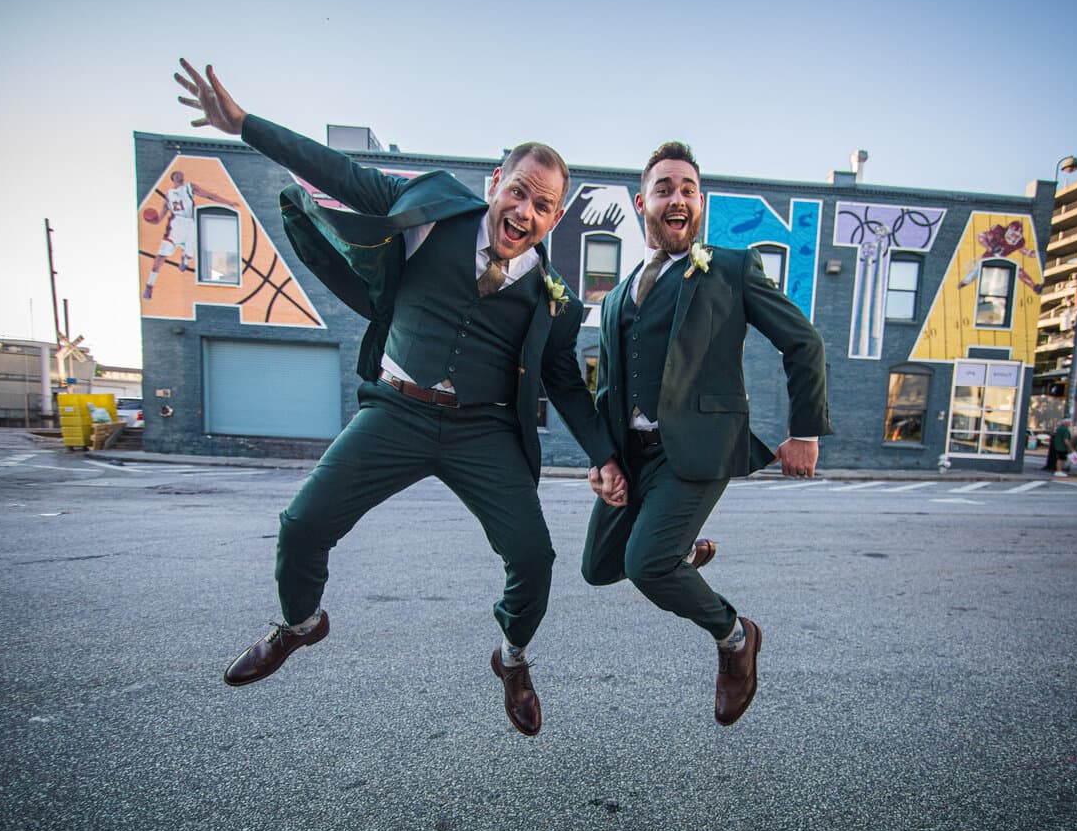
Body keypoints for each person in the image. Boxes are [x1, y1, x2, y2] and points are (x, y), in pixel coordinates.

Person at [173, 59, 627, 736]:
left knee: (533, 558)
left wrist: (604, 455)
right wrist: (243, 126)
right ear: (496, 182)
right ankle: (300, 622)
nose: (525, 212)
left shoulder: (552, 296)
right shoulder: (429, 211)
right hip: (397, 409)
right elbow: (339, 173)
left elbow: (562, 377)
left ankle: (512, 655)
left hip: (483, 431)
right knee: (301, 526)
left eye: (542, 206)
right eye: (519, 193)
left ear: (555, 217)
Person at [580, 142, 832, 726]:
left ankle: (736, 638)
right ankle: (685, 552)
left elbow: (804, 342)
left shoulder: (730, 269)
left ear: (701, 205)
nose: (678, 198)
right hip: (634, 454)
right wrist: (603, 460)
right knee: (597, 566)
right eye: (665, 189)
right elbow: (607, 390)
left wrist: (806, 432)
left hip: (698, 450)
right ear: (643, 203)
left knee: (645, 565)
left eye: (689, 189)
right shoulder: (616, 296)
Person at [142, 170, 238, 299]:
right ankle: (149, 285)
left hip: (191, 224)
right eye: (176, 174)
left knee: (192, 253)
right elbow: (160, 218)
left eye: (181, 173)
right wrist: (152, 219)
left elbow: (209, 195)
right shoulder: (169, 195)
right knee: (161, 256)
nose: (180, 175)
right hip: (176, 226)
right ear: (173, 178)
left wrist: (228, 202)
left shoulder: (189, 187)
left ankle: (185, 261)